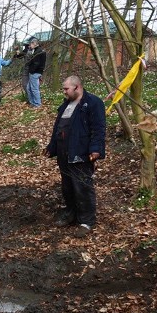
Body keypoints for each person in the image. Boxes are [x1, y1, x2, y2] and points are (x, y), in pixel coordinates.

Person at [42, 75, 106, 238]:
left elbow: (99, 128)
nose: (64, 92)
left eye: (66, 89)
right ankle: (71, 213)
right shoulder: (66, 105)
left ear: (77, 87)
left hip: (81, 152)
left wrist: (95, 149)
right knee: (67, 186)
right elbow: (58, 128)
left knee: (82, 187)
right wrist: (52, 147)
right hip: (64, 153)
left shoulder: (93, 103)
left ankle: (86, 221)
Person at [15, 37, 47, 107]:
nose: (30, 45)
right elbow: (20, 55)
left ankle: (37, 104)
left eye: (31, 44)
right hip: (33, 72)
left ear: (35, 44)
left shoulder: (39, 52)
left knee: (34, 89)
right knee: (29, 88)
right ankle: (32, 103)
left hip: (35, 72)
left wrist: (32, 71)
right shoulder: (34, 50)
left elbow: (37, 63)